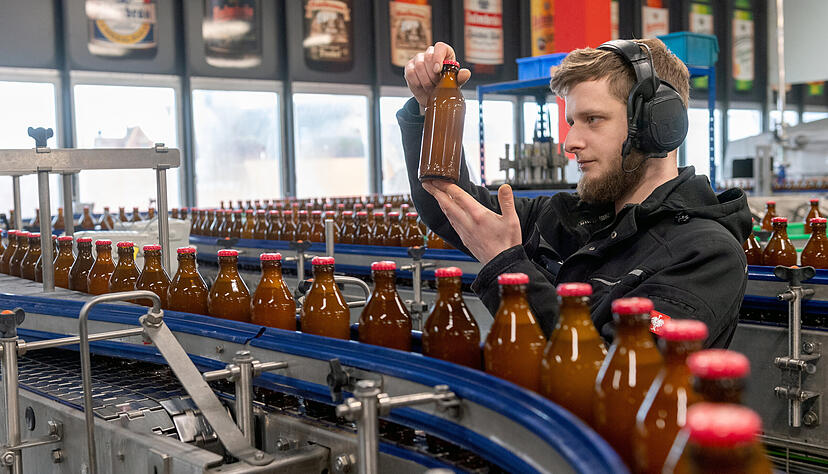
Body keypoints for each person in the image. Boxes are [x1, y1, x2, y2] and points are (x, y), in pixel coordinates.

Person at [397, 39, 752, 348]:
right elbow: (450, 206)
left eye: (593, 119)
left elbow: (613, 379)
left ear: (658, 124)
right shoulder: (567, 217)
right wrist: (431, 110)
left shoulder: (706, 255)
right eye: (571, 122)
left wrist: (508, 266)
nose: (570, 143)